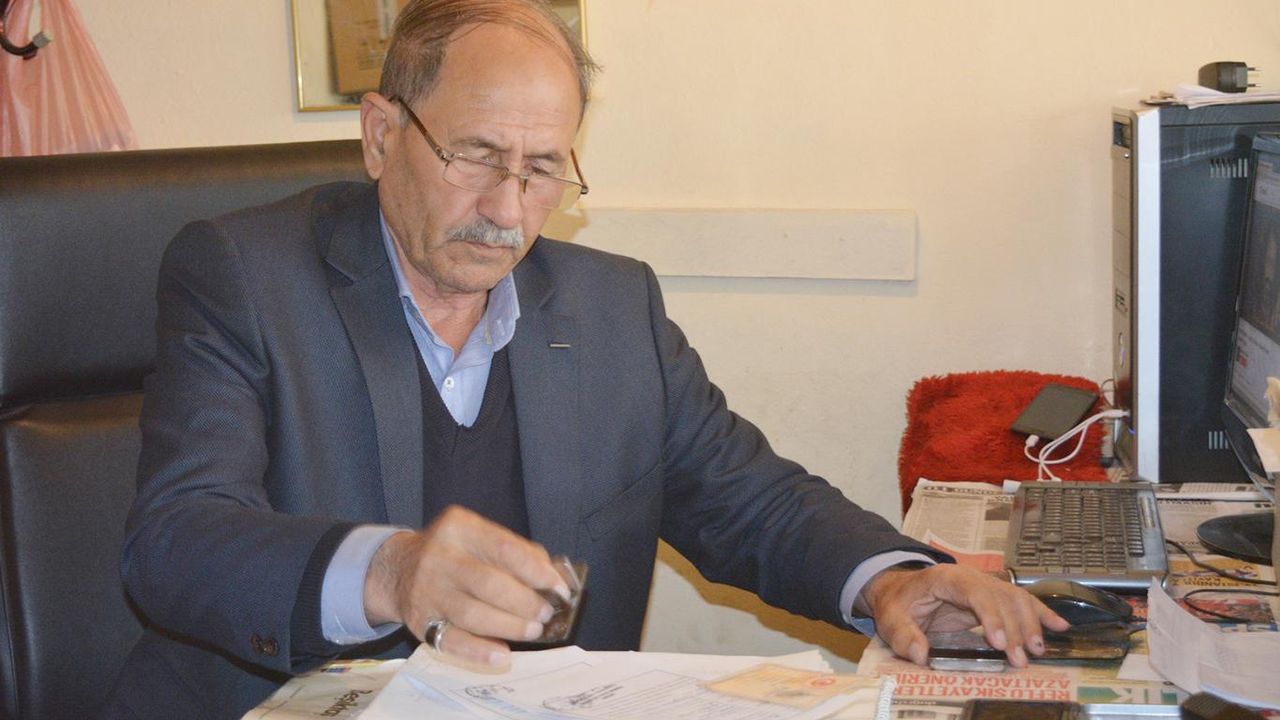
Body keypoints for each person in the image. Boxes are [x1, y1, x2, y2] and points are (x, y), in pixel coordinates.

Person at [105, 1, 1067, 717]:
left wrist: (889, 580)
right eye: (476, 156)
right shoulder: (244, 276)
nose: (507, 209)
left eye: (541, 170)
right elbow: (176, 538)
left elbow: (748, 501)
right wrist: (392, 572)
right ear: (381, 135)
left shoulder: (611, 307)